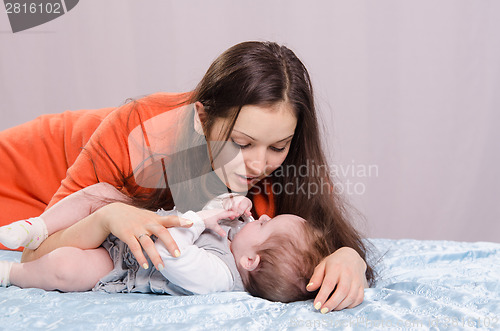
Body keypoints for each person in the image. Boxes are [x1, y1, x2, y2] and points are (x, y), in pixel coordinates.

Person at [0, 41, 372, 312]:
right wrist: (105, 217)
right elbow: (34, 255)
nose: (260, 165)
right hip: (21, 171)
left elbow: (313, 243)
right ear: (202, 119)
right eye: (241, 143)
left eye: (278, 146)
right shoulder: (140, 135)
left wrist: (348, 256)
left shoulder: (285, 162)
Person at [0, 183, 329, 304]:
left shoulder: (217, 277)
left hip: (126, 264)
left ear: (250, 263)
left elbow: (169, 252)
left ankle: (12, 273)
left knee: (66, 268)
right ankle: (36, 227)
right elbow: (208, 209)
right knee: (99, 192)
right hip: (134, 226)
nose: (264, 217)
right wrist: (229, 203)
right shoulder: (237, 238)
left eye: (266, 226)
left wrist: (200, 220)